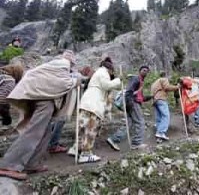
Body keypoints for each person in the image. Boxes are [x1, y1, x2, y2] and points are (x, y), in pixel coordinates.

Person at [0, 50, 79, 180]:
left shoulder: (53, 66)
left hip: (43, 99)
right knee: (34, 132)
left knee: (45, 132)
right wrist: (75, 81)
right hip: (44, 101)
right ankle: (9, 165)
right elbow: (63, 83)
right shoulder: (62, 64)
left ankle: (32, 164)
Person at [68, 57, 121, 163]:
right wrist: (118, 80)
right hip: (94, 104)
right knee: (91, 130)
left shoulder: (96, 74)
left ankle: (76, 148)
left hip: (86, 103)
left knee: (82, 127)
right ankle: (86, 154)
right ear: (109, 69)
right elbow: (106, 85)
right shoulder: (103, 71)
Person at [107, 66, 152, 151]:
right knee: (140, 122)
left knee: (129, 124)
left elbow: (140, 97)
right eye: (144, 70)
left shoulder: (140, 82)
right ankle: (137, 143)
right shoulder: (136, 79)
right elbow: (129, 91)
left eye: (147, 71)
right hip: (133, 103)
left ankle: (114, 139)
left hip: (131, 103)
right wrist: (130, 103)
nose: (145, 72)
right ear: (140, 71)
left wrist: (150, 97)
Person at [150, 71, 178, 140]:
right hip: (161, 99)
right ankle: (161, 132)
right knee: (166, 116)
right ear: (166, 75)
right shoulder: (164, 79)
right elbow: (167, 87)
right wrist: (177, 87)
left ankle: (158, 133)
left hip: (155, 100)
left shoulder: (154, 83)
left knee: (159, 116)